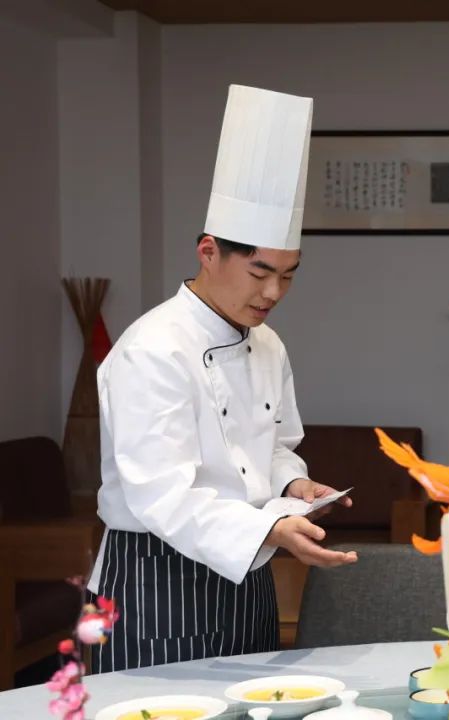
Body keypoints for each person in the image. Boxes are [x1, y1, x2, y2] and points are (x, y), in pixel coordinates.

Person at [87, 85, 357, 672]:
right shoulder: (153, 348)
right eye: (260, 271)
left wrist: (293, 488)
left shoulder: (267, 342)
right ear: (208, 251)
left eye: (289, 275)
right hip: (158, 584)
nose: (273, 293)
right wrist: (274, 527)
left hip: (247, 575)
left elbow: (276, 446)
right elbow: (162, 496)